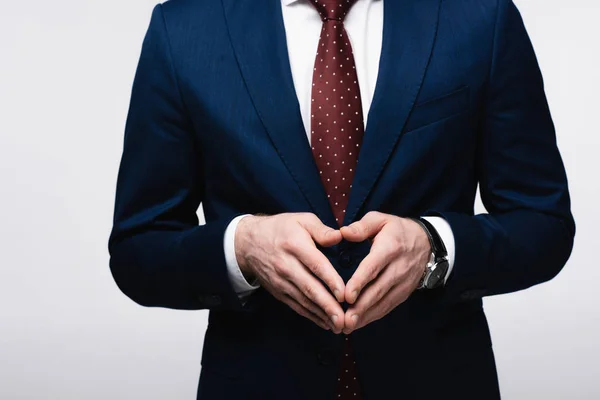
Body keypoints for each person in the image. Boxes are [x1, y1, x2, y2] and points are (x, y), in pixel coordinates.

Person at [108, 0, 575, 398]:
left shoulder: (479, 16)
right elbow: (138, 247)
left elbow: (543, 222)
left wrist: (435, 248)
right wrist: (243, 247)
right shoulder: (185, 29)